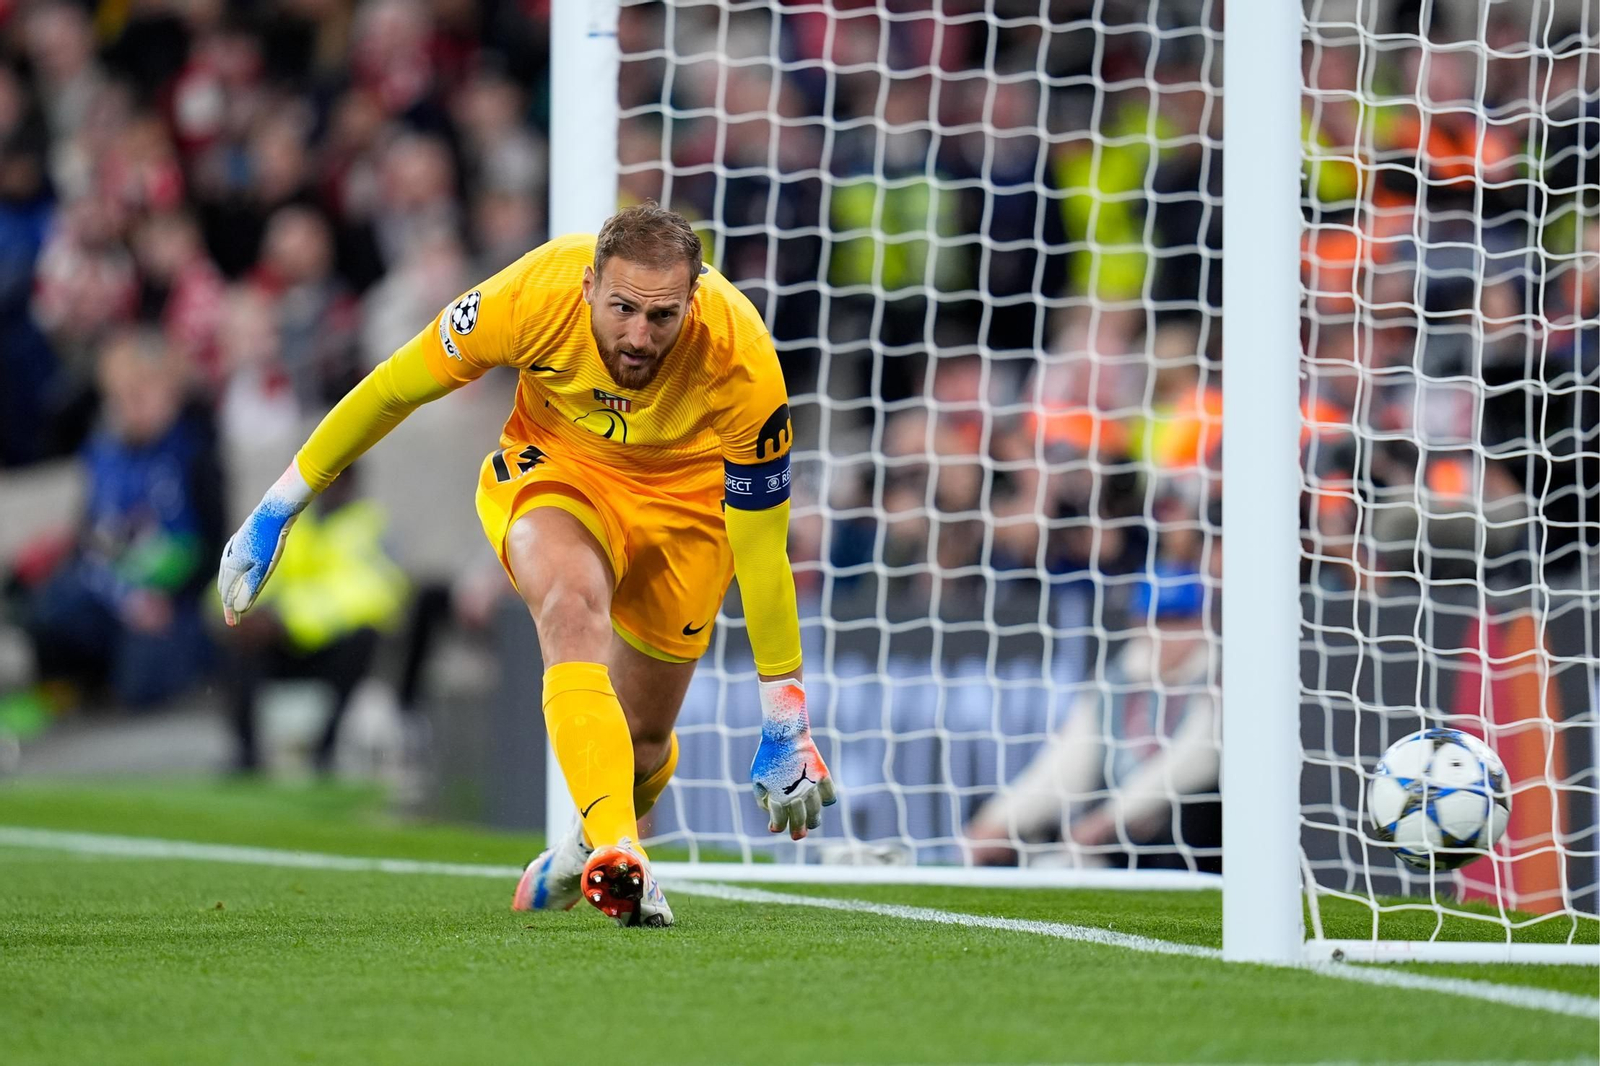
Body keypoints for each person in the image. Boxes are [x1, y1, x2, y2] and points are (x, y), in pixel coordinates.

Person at [217, 202, 836, 927]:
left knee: (641, 747)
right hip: (562, 470)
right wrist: (278, 506)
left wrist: (785, 719)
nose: (639, 336)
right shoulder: (526, 298)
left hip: (689, 507)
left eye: (662, 316)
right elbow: (391, 387)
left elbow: (762, 549)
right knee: (569, 604)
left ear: (693, 300)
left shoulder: (742, 360)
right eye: (623, 308)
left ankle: (583, 851)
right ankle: (619, 852)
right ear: (586, 287)